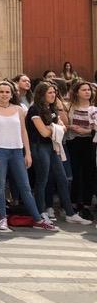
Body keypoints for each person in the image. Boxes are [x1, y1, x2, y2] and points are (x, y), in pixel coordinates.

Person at [0, 81, 56, 232]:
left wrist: (27, 153)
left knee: (25, 187)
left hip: (17, 151)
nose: (4, 94)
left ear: (11, 94)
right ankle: (2, 218)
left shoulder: (19, 109)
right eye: (1, 92)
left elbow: (24, 132)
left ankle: (37, 219)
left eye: (7, 92)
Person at [26, 81, 91, 226]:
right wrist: (55, 128)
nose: (53, 95)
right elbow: (43, 132)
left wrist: (53, 127)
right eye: (50, 92)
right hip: (39, 147)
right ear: (42, 94)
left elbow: (62, 127)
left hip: (53, 147)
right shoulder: (34, 109)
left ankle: (70, 213)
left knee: (62, 179)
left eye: (54, 92)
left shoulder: (52, 108)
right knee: (42, 181)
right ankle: (41, 213)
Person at [66, 79, 96, 220]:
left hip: (89, 143)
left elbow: (94, 129)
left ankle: (86, 205)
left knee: (88, 173)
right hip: (73, 142)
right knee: (75, 173)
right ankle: (73, 203)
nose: (87, 92)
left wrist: (85, 131)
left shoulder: (94, 109)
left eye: (89, 90)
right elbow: (64, 123)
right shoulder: (69, 107)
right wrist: (69, 127)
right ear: (77, 92)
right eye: (84, 90)